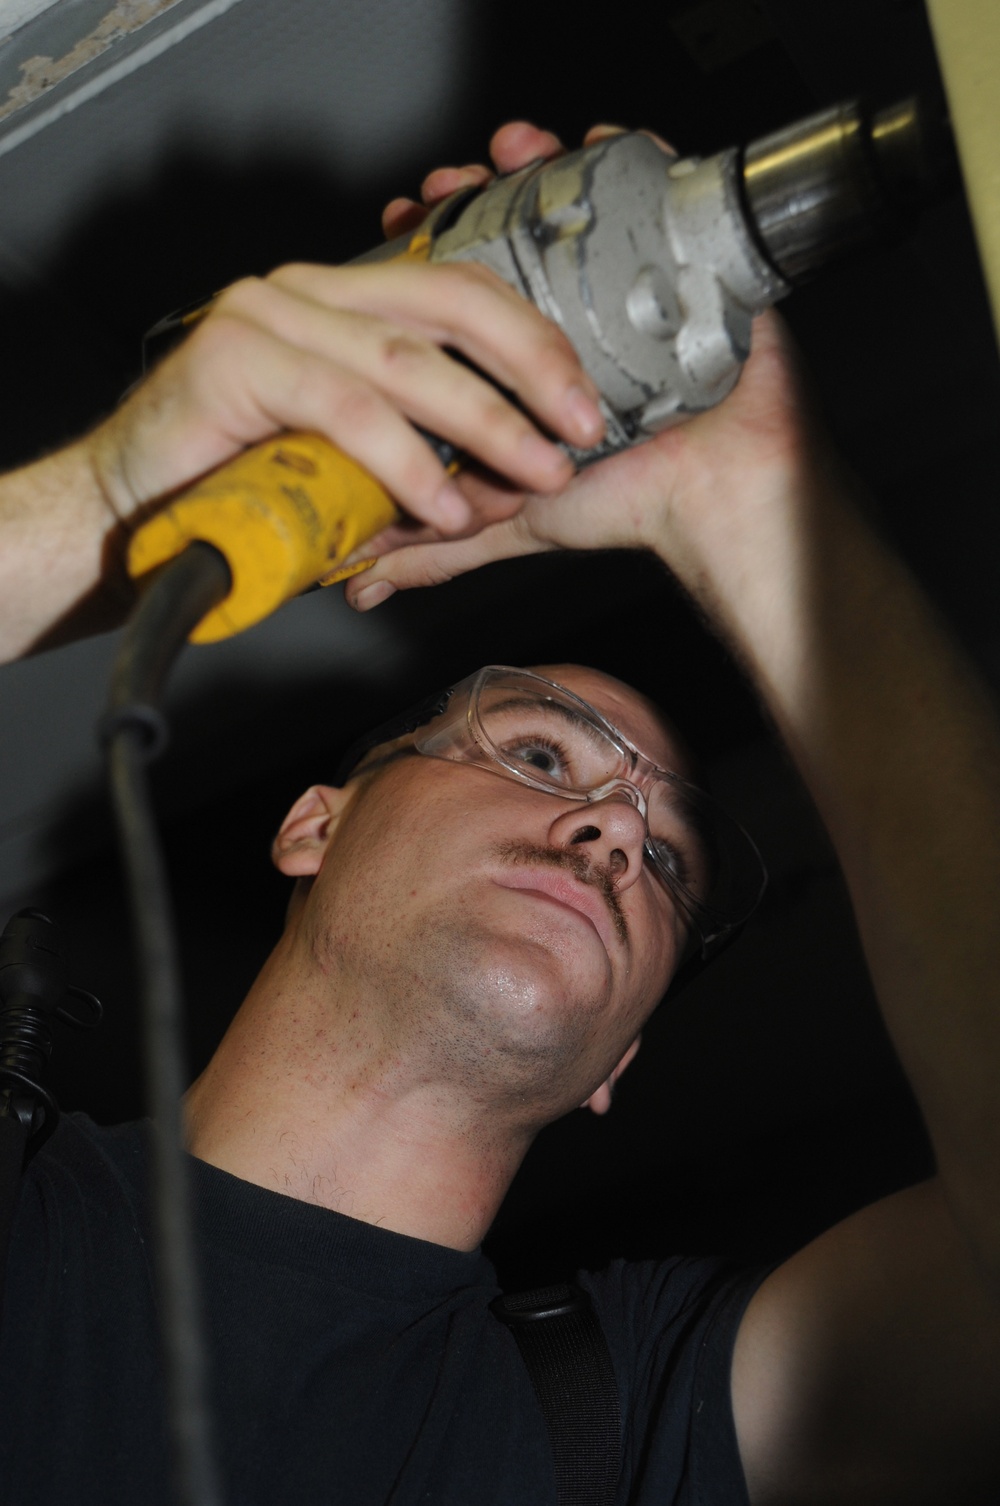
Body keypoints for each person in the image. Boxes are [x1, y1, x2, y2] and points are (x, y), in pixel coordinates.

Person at [1, 120, 999, 1505]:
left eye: (662, 859)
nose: (606, 834)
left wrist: (753, 506)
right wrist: (98, 500)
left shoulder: (636, 1412)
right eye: (538, 754)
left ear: (620, 1057)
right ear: (314, 824)